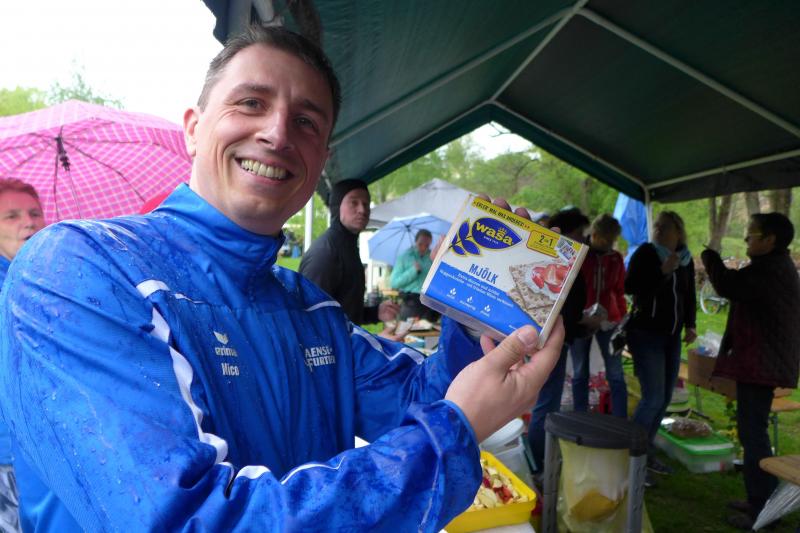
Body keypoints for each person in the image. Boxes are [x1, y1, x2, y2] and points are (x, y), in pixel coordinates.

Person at [0, 26, 565, 532]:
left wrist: (476, 315)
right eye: (251, 103)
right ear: (194, 128)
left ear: (320, 161)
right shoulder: (77, 269)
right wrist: (446, 438)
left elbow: (421, 399)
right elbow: (189, 519)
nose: (277, 134)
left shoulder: (311, 310)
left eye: (306, 122)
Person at [701, 213, 800, 531]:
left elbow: (729, 285)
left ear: (770, 240)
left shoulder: (770, 270)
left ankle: (763, 508)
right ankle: (759, 497)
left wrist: (711, 257)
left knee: (753, 434)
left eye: (751, 235)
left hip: (762, 364)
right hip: (761, 362)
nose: (746, 240)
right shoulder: (772, 267)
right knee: (752, 431)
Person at [625, 210, 696, 481]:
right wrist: (662, 272)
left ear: (678, 232)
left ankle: (646, 451)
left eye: (665, 227)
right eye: (657, 226)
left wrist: (691, 324)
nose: (658, 230)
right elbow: (631, 286)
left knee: (665, 398)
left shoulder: (685, 259)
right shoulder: (646, 253)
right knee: (652, 398)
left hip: (672, 336)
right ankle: (631, 457)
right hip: (646, 333)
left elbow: (688, 295)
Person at [527, 208, 589, 474]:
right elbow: (563, 310)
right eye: (580, 233)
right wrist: (583, 325)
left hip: (551, 338)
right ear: (568, 232)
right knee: (546, 404)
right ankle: (539, 465)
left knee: (545, 402)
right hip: (551, 340)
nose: (584, 239)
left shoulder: (556, 259)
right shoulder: (559, 261)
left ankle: (539, 460)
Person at [0, 178, 46, 533]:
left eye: (34, 213)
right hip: (7, 455)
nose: (28, 222)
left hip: (44, 448)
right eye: (11, 216)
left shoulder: (46, 279)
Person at [299, 179, 400, 325]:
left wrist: (375, 313)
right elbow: (312, 319)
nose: (362, 210)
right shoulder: (325, 253)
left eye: (366, 204)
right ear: (337, 207)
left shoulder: (347, 246)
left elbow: (346, 310)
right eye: (354, 203)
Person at [570, 214, 628, 418]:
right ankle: (580, 416)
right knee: (580, 371)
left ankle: (620, 420)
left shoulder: (615, 258)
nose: (609, 244)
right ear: (594, 234)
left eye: (613, 240)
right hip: (582, 319)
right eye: (605, 240)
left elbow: (619, 290)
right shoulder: (580, 253)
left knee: (615, 372)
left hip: (608, 320)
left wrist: (622, 318)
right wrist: (576, 315)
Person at [390, 229, 437, 321]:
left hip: (428, 302)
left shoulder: (433, 257)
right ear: (416, 241)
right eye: (420, 244)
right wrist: (413, 271)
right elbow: (394, 283)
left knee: (428, 329)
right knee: (408, 329)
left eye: (427, 245)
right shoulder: (404, 257)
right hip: (410, 302)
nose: (423, 247)